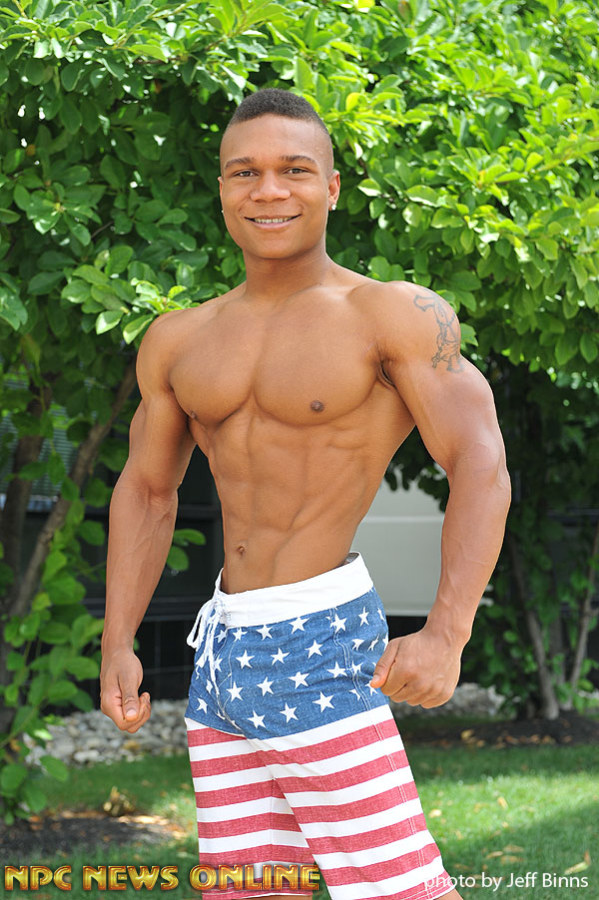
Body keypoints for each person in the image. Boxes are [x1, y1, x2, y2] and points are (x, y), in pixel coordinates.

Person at [100, 88, 511, 900]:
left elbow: (479, 461)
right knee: (247, 888)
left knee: (398, 889)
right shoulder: (178, 338)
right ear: (222, 187)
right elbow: (147, 490)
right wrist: (119, 639)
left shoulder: (390, 314)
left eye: (293, 170)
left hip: (322, 641)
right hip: (222, 654)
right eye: (243, 172)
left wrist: (446, 631)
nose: (268, 190)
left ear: (330, 186)